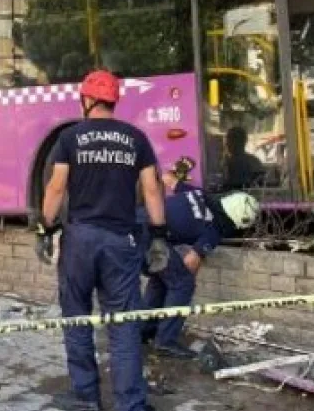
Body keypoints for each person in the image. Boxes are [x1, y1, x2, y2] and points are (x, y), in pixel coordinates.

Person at [35, 70, 170, 411]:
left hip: (80, 239)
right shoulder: (135, 138)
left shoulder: (71, 137)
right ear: (113, 100)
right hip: (121, 240)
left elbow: (55, 187)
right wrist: (158, 236)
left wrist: (45, 228)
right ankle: (130, 404)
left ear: (87, 99)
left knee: (77, 318)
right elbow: (152, 189)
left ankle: (87, 399)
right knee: (124, 325)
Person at [140, 185, 260, 358]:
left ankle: (145, 330)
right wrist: (185, 283)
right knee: (182, 283)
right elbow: (190, 262)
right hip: (150, 239)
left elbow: (171, 181)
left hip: (135, 227)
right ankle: (165, 341)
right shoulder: (215, 228)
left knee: (163, 279)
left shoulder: (200, 193)